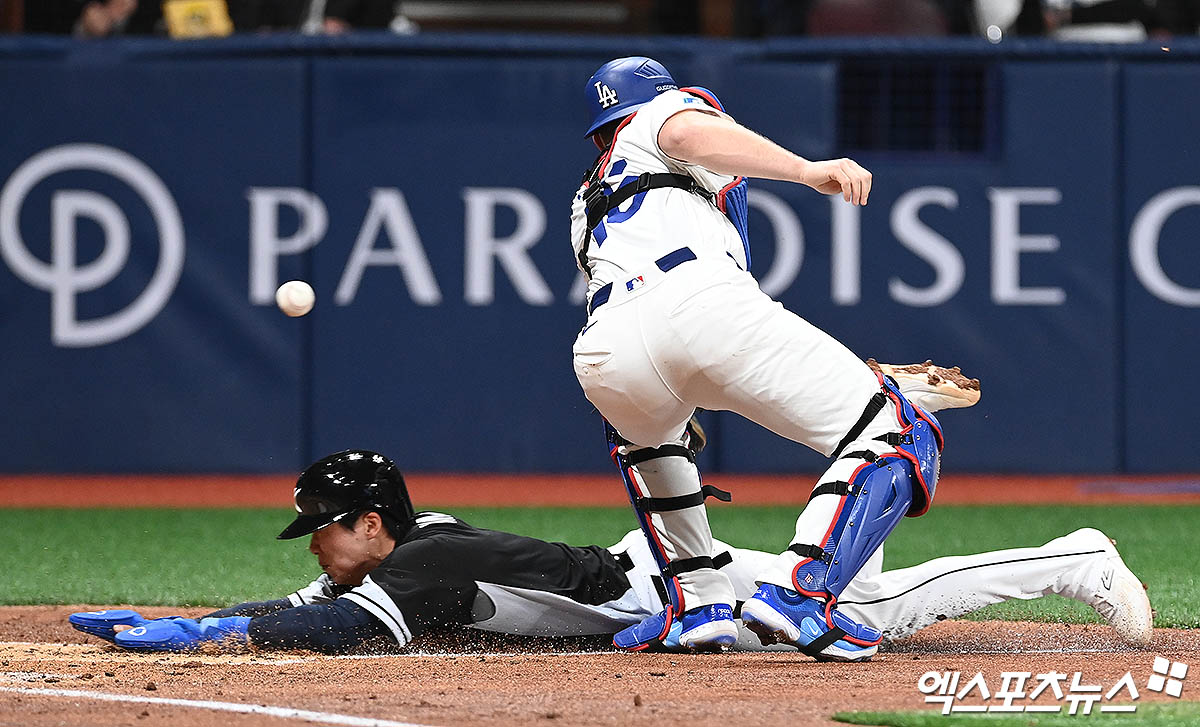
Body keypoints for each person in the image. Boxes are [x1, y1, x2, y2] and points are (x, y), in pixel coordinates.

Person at [68, 377, 1154, 655]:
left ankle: (1073, 556)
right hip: (644, 574)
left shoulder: (419, 570)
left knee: (881, 603)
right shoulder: (408, 546)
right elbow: (318, 597)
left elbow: (327, 626)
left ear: (369, 522)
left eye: (324, 526)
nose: (315, 544)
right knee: (872, 598)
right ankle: (1064, 555)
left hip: (676, 587)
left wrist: (215, 631)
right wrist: (216, 615)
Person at [570, 56, 955, 660]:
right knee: (898, 429)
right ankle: (803, 594)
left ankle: (696, 608)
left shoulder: (588, 198)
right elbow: (684, 130)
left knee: (653, 446)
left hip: (606, 347)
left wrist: (672, 388)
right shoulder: (658, 119)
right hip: (696, 301)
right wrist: (807, 169)